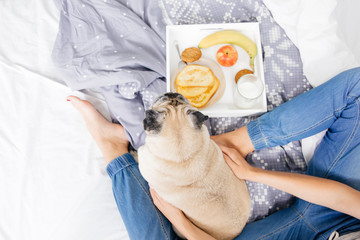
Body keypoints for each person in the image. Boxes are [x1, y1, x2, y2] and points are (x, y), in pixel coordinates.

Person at [67, 67, 360, 240]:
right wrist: (252, 172)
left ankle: (113, 148)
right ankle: (240, 140)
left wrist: (180, 221)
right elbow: (347, 201)